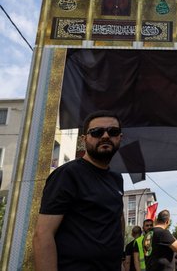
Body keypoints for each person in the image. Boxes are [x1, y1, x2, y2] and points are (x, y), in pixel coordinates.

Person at [33, 110, 124, 271]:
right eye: (96, 132)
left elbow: (115, 220)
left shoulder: (117, 179)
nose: (105, 136)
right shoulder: (67, 174)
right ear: (84, 139)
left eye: (112, 131)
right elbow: (43, 235)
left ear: (120, 138)